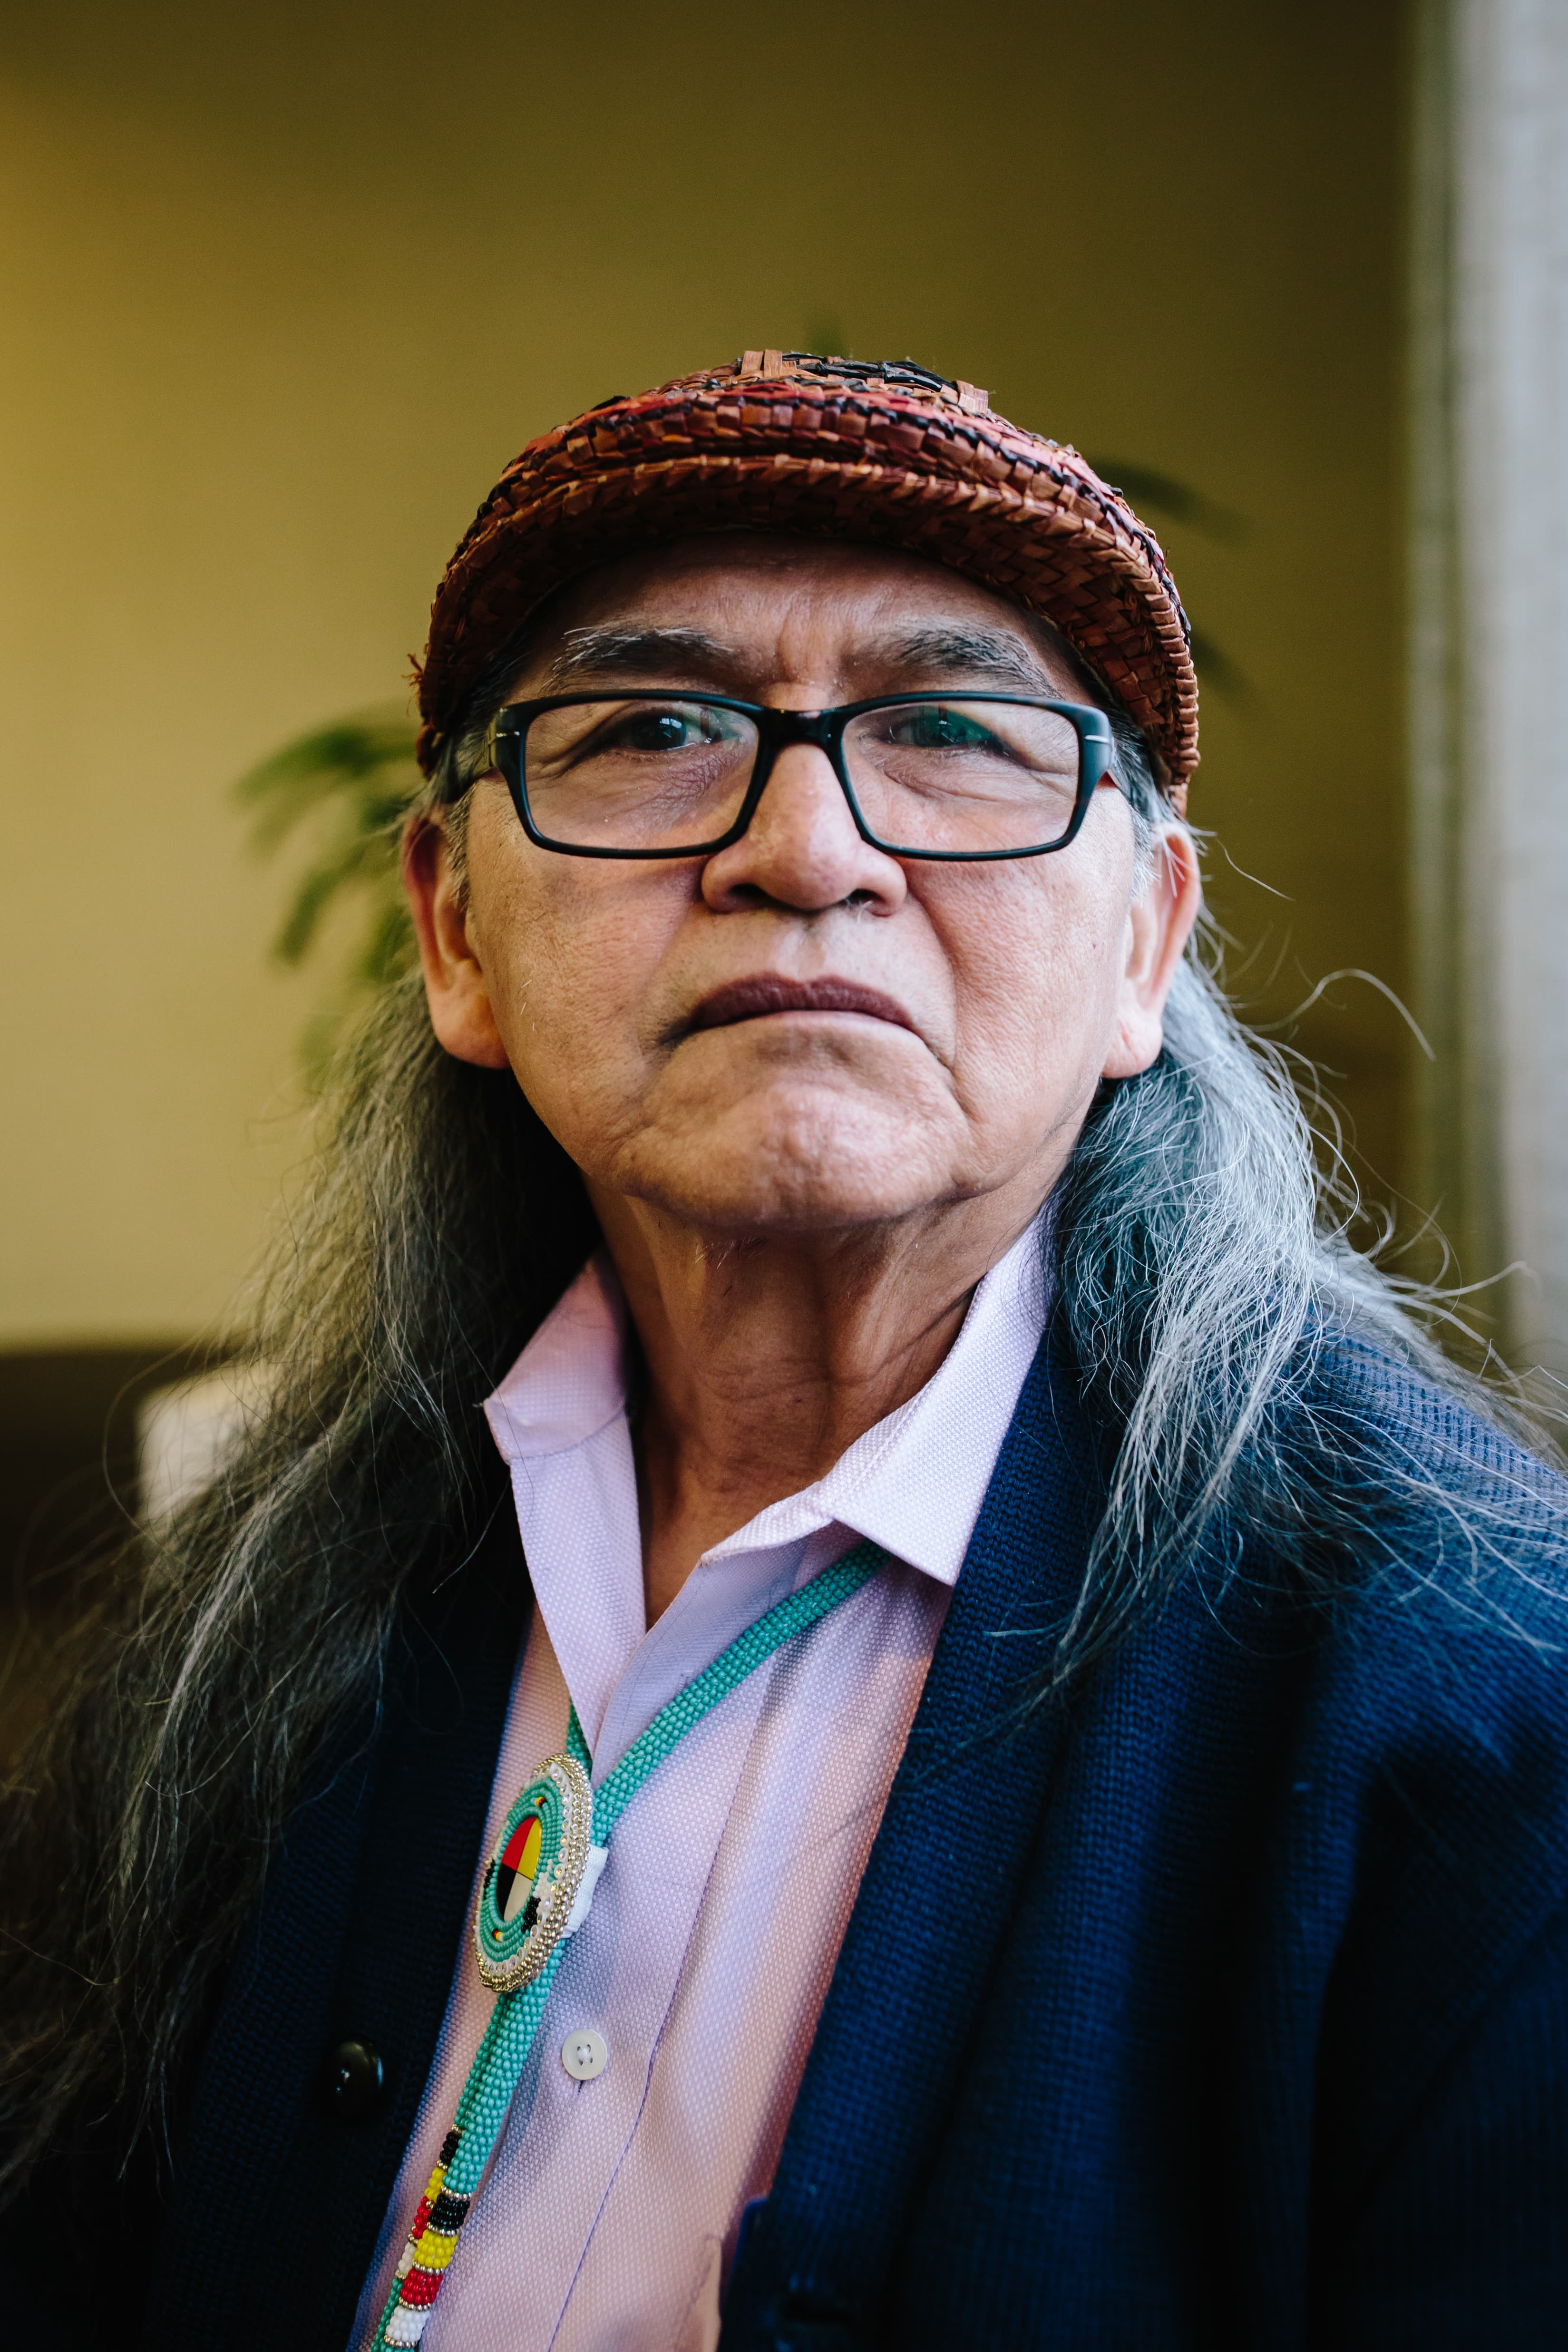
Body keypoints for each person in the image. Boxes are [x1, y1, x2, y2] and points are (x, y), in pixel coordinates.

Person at [4, 353, 1567, 2352]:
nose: (807, 849)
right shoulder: (263, 1607)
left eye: (952, 731)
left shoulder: (1484, 1698)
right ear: (456, 933)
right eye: (655, 725)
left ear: (1145, 948)